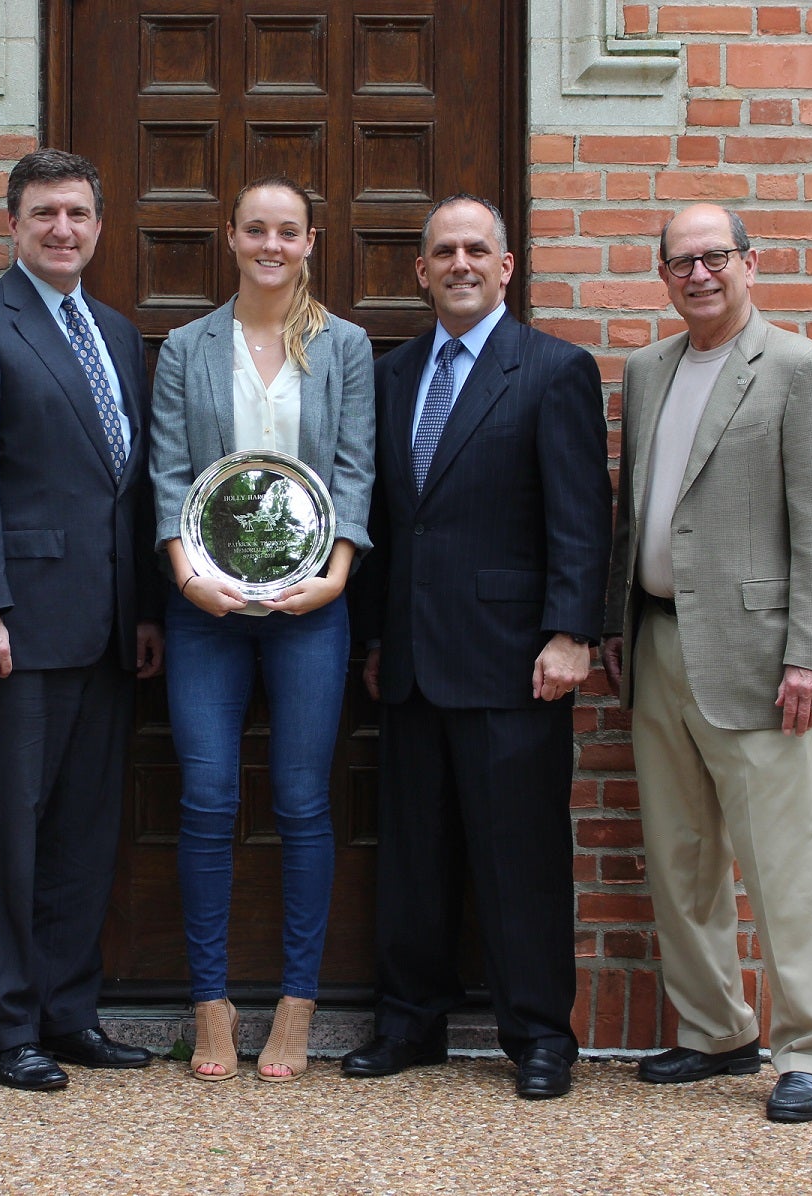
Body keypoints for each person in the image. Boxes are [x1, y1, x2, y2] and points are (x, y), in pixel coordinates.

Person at [344, 194, 611, 1100]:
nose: (459, 263)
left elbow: (582, 517)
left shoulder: (552, 370)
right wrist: (376, 636)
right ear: (420, 272)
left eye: (476, 250)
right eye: (442, 251)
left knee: (520, 857)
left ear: (506, 268)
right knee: (412, 856)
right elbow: (387, 519)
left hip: (513, 663)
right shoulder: (391, 374)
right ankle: (409, 1023)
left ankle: (538, 1036)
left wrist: (571, 634)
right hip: (413, 661)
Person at [600, 202, 812, 1123]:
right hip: (659, 641)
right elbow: (634, 513)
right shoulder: (647, 368)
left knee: (777, 860)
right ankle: (715, 1030)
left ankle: (811, 1053)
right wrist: (612, 628)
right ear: (663, 276)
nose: (698, 274)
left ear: (750, 263)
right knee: (679, 856)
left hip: (757, 655)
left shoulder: (793, 367)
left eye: (714, 257)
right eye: (680, 262)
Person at [0, 149, 163, 1092]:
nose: (62, 230)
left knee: (80, 834)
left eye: (76, 214)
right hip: (13, 632)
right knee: (5, 836)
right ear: (13, 225)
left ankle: (68, 1015)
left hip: (105, 633)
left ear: (97, 226)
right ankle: (6, 1029)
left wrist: (141, 613)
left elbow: (126, 491)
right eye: (42, 215)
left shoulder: (114, 330)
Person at [149, 176, 375, 1082]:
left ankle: (294, 1005)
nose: (271, 245)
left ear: (311, 241)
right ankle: (209, 1005)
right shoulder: (184, 347)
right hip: (204, 608)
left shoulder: (345, 346)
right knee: (205, 800)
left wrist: (335, 579)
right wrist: (184, 574)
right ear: (230, 238)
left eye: (288, 232)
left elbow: (355, 470)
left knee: (301, 803)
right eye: (256, 230)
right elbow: (167, 470)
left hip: (311, 609)